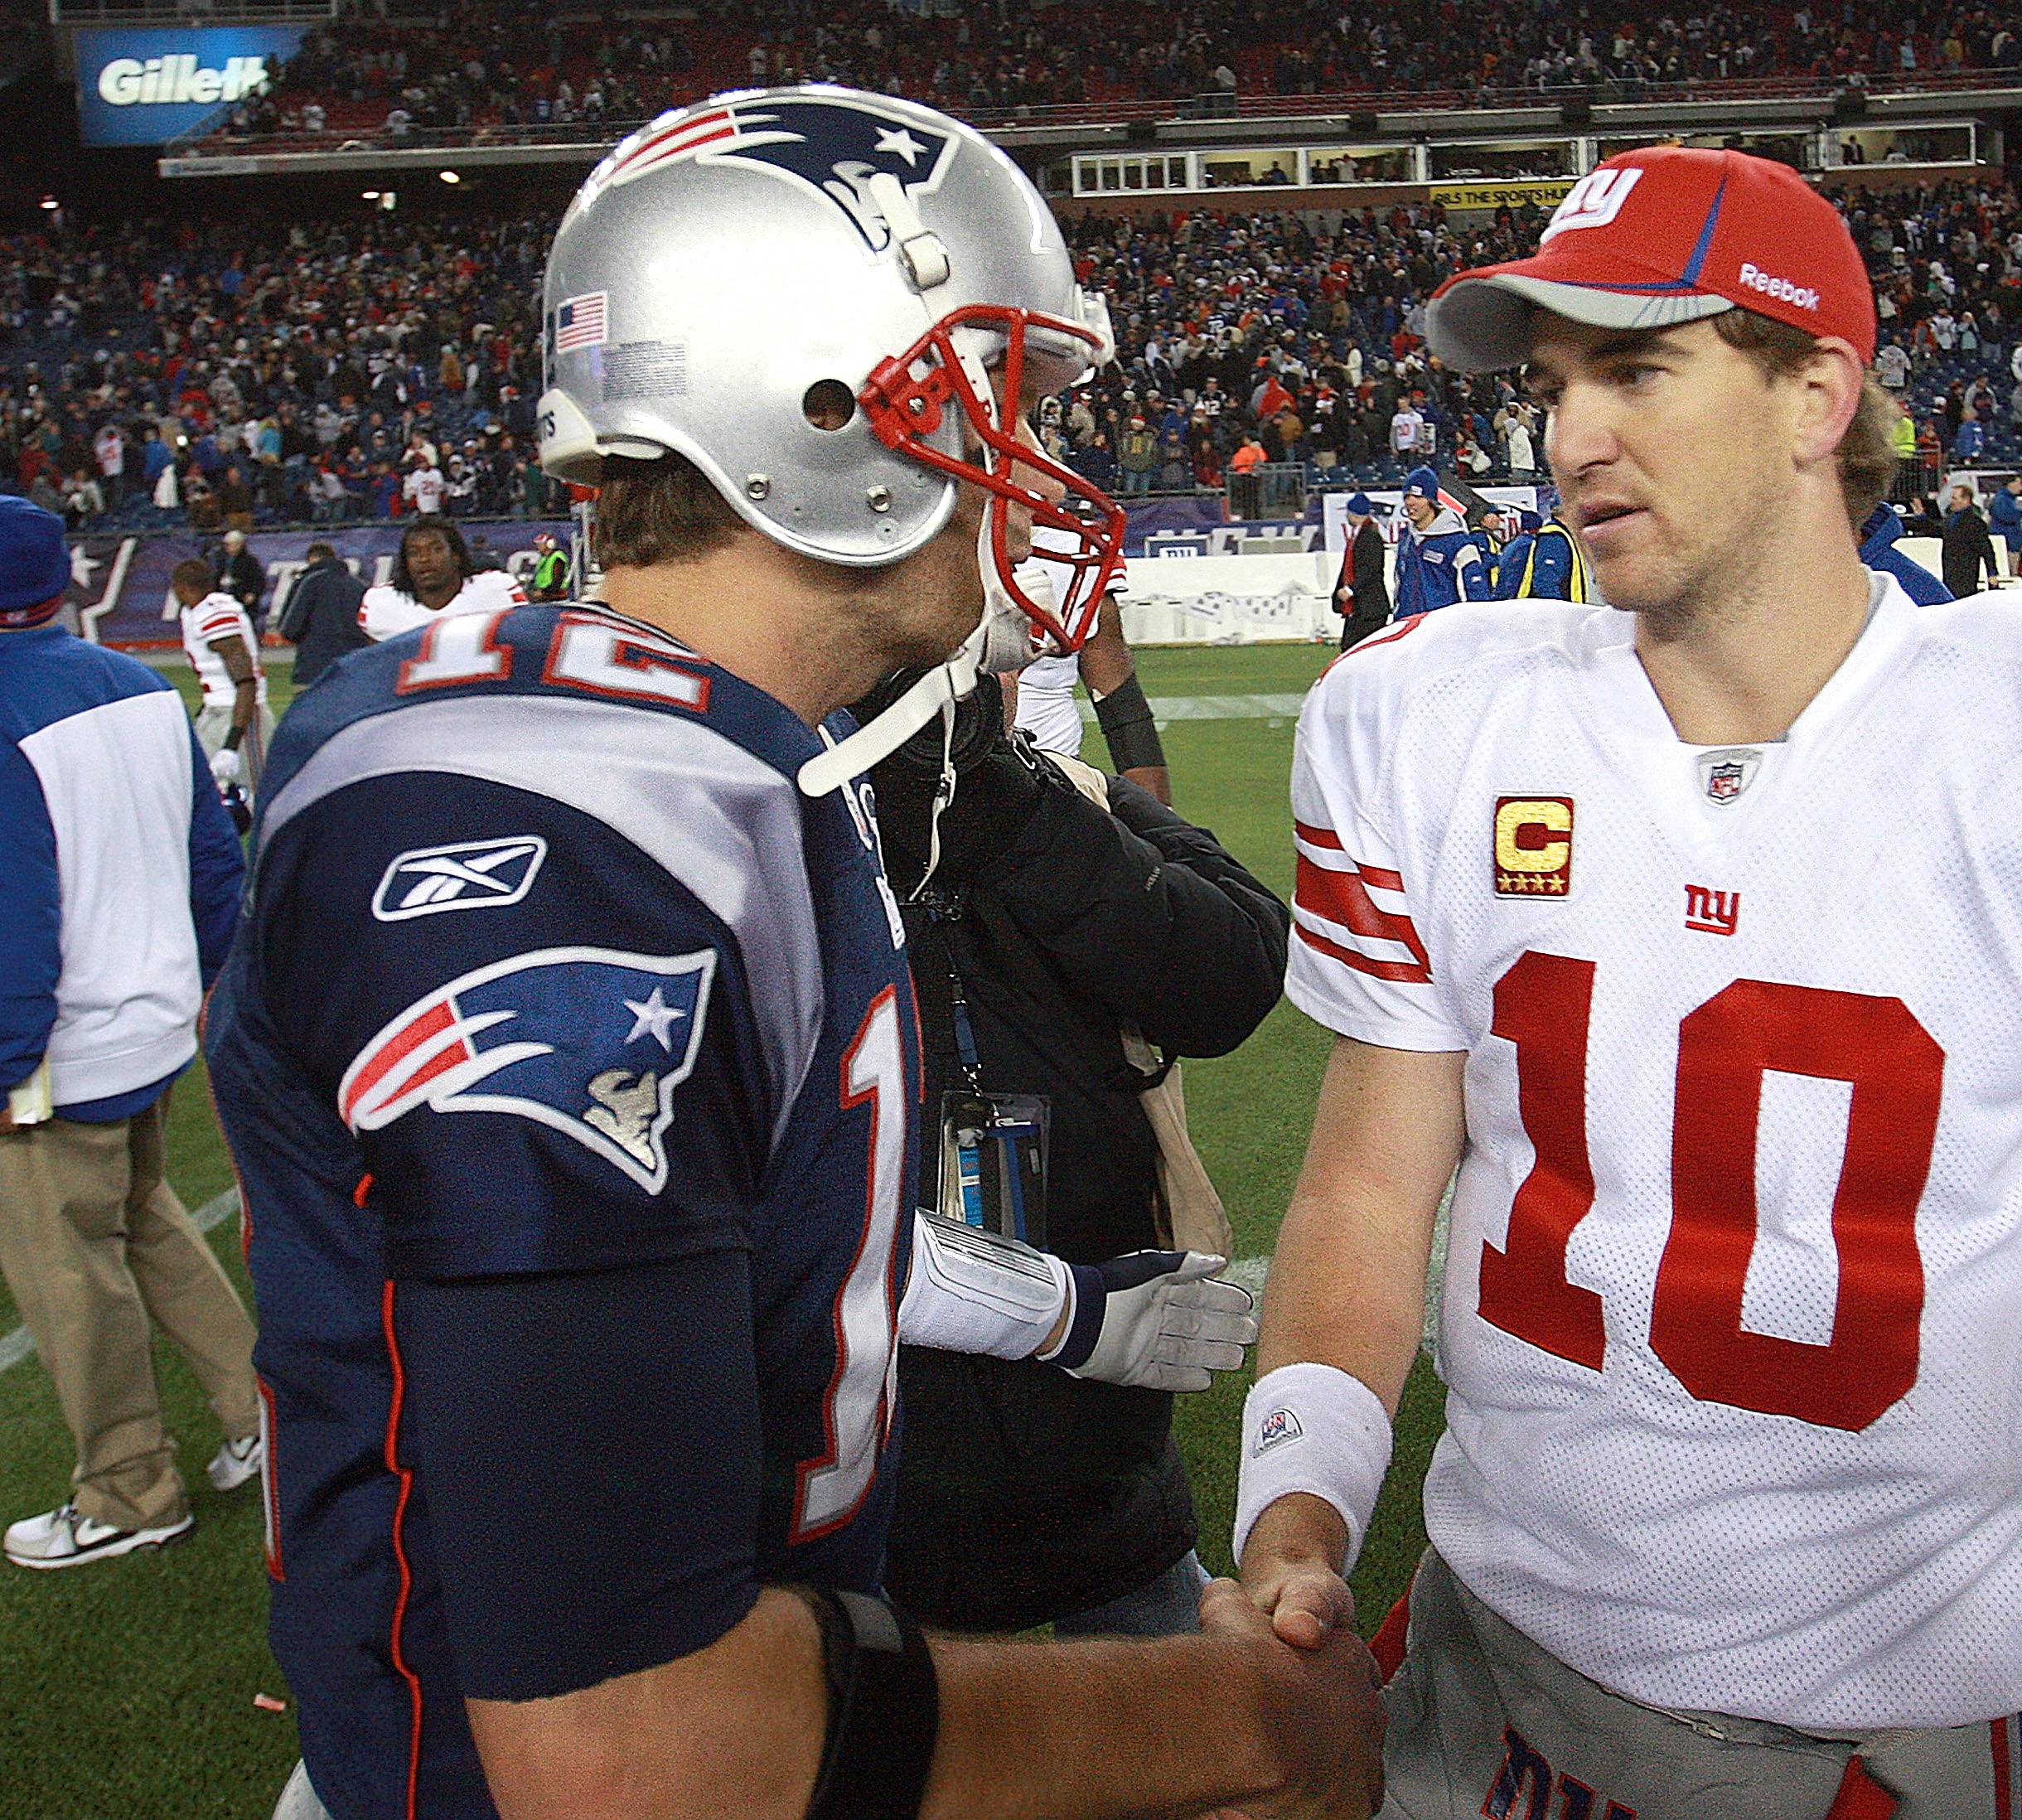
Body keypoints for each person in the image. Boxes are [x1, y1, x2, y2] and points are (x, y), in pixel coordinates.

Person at [206, 87, 1381, 1820]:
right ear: (826, 413)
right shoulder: (574, 849)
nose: (1034, 464)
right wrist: (1235, 1724)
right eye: (997, 401)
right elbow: (627, 1748)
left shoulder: (705, 756)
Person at [1243, 143, 2022, 1820]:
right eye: (1553, 385)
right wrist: (1300, 1512)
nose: (1569, 435)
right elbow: (1364, 1187)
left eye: (1637, 368)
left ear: (1813, 395)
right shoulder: (1435, 720)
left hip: (1859, 1739)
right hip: (1476, 1658)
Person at [869, 669, 1278, 1638]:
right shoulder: (779, 825)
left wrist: (1009, 803)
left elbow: (1235, 973)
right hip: (877, 1455)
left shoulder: (1061, 790)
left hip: (1104, 1445)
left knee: (1155, 1677)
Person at [0, 497, 260, 1571]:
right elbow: (215, 863)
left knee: (69, 1273)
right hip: (153, 1023)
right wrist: (210, 979)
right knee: (148, 1220)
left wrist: (8, 1062)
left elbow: (15, 913)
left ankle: (130, 1488)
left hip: (61, 1051)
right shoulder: (140, 688)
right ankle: (263, 1415)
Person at [1011, 543, 1173, 802]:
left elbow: (1121, 704)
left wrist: (1159, 814)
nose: (1061, 498)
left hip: (1052, 785)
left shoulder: (1079, 546)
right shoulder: (927, 535)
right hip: (946, 775)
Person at [172, 557, 268, 795]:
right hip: (217, 710)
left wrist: (232, 744)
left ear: (181, 588)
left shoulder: (216, 614)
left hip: (240, 714)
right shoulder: (195, 611)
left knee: (253, 797)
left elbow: (246, 681)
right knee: (206, 791)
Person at [357, 514, 527, 640]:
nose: (424, 559)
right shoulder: (382, 602)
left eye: (436, 549)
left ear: (456, 555)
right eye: (414, 553)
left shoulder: (496, 590)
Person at [1391, 468, 1489, 618]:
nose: (1410, 502)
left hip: (1443, 629)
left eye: (1418, 496)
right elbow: (1399, 582)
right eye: (1407, 496)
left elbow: (1475, 595)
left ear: (1431, 501)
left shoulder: (1458, 543)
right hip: (1410, 626)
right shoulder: (1406, 539)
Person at [275, 541, 370, 689]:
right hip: (353, 667)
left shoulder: (308, 581)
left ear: (312, 559)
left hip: (313, 667)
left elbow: (289, 628)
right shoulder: (359, 585)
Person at [1333, 492, 1393, 648]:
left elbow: (1371, 570)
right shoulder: (1365, 534)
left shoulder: (1370, 536)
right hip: (1363, 608)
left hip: (1369, 608)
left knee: (1354, 649)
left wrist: (1350, 590)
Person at [1490, 510, 1587, 602]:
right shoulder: (1553, 539)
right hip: (1550, 612)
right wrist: (1558, 615)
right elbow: (1546, 585)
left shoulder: (1516, 544)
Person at [206, 526, 269, 635]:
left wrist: (253, 593)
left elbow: (258, 580)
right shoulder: (221, 560)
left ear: (240, 544)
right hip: (224, 600)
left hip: (243, 599)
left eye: (232, 544)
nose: (228, 548)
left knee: (246, 626)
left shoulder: (250, 561)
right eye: (226, 544)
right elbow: (215, 578)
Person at [1938, 482, 1998, 596]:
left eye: (1955, 498)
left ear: (1966, 500)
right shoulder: (1950, 519)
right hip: (1950, 569)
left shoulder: (1974, 522)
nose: (1952, 501)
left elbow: (1986, 549)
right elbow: (1938, 530)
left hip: (1966, 571)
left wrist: (1992, 573)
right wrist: (1922, 518)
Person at [1985, 474, 2022, 586]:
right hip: (2006, 544)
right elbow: (2005, 515)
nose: (2021, 487)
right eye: (2019, 483)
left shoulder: (2006, 499)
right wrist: (2020, 513)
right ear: (2010, 484)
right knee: (2009, 574)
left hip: (2010, 543)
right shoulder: (2002, 500)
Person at [526, 530, 574, 602]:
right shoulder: (543, 559)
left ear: (549, 544)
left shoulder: (558, 558)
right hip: (544, 596)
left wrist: (543, 592)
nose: (538, 547)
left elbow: (557, 581)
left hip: (556, 596)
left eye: (540, 544)